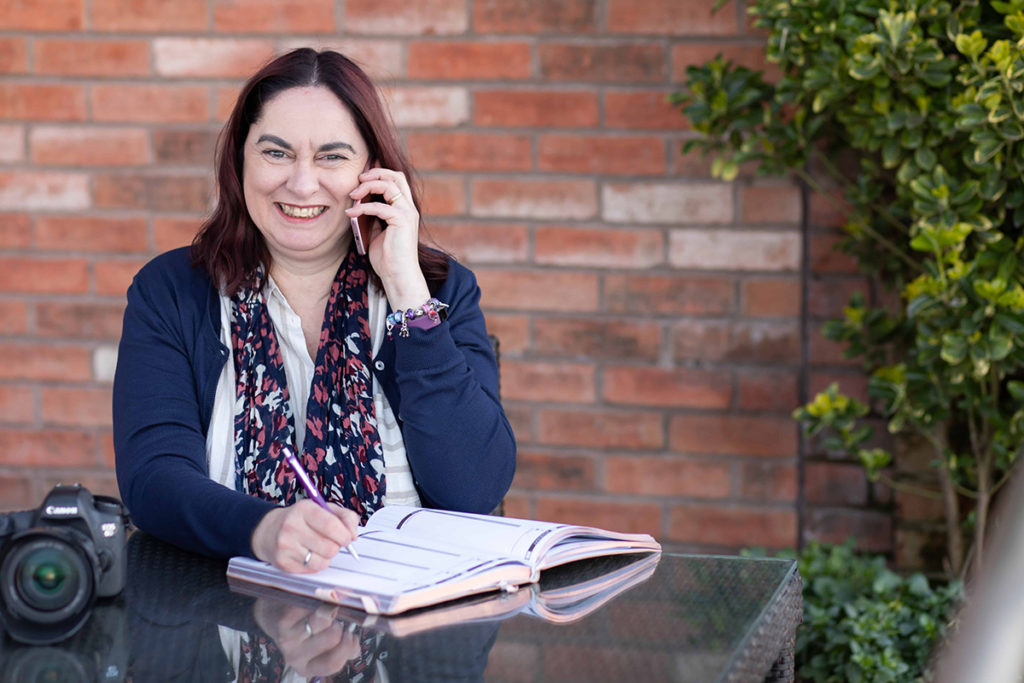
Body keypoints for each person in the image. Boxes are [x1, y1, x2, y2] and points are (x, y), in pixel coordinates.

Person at [113, 48, 516, 574]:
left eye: (332, 156)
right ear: (241, 162)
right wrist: (262, 529)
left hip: (409, 636)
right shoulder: (171, 292)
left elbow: (475, 488)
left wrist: (407, 295)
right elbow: (153, 480)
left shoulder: (438, 290)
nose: (302, 184)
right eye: (276, 153)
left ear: (371, 171)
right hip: (218, 623)